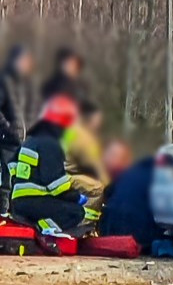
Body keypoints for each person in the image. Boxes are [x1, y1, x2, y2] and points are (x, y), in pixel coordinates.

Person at [9, 96, 89, 235]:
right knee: (76, 212)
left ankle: (32, 225)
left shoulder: (31, 139)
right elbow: (56, 185)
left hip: (17, 203)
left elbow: (12, 164)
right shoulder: (51, 143)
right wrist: (76, 197)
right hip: (34, 202)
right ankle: (42, 230)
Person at [99, 144, 165, 253]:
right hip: (140, 238)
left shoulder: (127, 172)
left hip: (110, 235)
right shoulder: (157, 176)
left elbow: (107, 192)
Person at [0, 45, 35, 215]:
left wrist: (28, 127)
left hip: (22, 139)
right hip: (7, 139)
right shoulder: (4, 80)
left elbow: (26, 109)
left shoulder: (23, 84)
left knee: (18, 178)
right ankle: (3, 213)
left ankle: (14, 213)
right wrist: (7, 128)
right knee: (6, 178)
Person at [62, 100, 107, 215]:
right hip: (67, 176)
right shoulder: (82, 135)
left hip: (64, 174)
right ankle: (85, 222)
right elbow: (92, 163)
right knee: (97, 188)